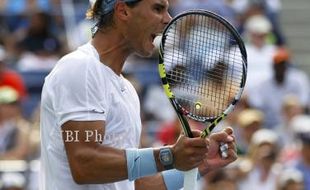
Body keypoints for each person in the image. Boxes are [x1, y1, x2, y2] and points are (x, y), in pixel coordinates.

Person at [40, 0, 238, 190]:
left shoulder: (127, 91)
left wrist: (199, 165)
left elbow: (132, 185)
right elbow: (85, 164)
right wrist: (169, 155)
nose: (168, 19)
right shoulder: (81, 67)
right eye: (158, 8)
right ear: (123, 11)